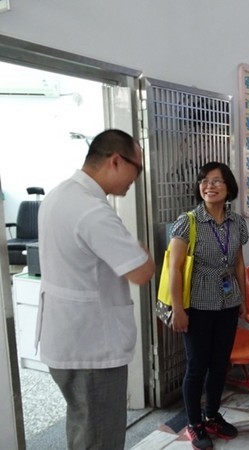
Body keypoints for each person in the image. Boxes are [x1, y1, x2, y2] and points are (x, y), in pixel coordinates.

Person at [35, 129, 155, 449]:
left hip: (68, 338)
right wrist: (141, 250)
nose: (136, 179)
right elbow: (142, 271)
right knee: (100, 436)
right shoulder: (92, 211)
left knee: (83, 427)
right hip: (91, 348)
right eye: (137, 170)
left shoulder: (60, 195)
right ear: (116, 161)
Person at [169, 162, 248, 450]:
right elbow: (175, 268)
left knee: (219, 364)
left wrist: (243, 299)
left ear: (228, 187)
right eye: (204, 181)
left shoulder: (236, 222)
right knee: (197, 366)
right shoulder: (188, 221)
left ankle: (212, 415)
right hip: (197, 306)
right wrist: (178, 309)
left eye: (216, 181)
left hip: (228, 303)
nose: (209, 186)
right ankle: (194, 423)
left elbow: (238, 262)